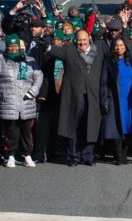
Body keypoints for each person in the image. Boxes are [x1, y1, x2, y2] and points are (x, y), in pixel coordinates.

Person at [45, 30, 107, 166]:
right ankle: (73, 157)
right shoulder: (69, 49)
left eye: (84, 40)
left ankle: (87, 156)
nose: (82, 43)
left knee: (90, 126)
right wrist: (47, 45)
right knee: (72, 126)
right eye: (79, 40)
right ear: (75, 40)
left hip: (93, 95)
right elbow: (54, 51)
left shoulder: (99, 50)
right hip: (73, 96)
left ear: (89, 39)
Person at [0, 34, 43, 168]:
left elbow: (39, 76)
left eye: (16, 46)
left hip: (27, 101)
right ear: (7, 47)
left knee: (27, 131)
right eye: (11, 46)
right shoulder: (0, 60)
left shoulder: (29, 60)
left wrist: (33, 91)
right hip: (8, 102)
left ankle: (27, 155)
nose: (14, 48)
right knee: (11, 131)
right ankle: (10, 155)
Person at [100, 37, 132, 165]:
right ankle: (118, 155)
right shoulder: (109, 61)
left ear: (126, 47)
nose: (119, 48)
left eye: (121, 45)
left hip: (130, 98)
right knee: (116, 126)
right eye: (116, 45)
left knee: (128, 127)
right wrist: (104, 99)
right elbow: (103, 82)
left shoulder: (131, 60)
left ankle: (124, 153)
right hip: (115, 98)